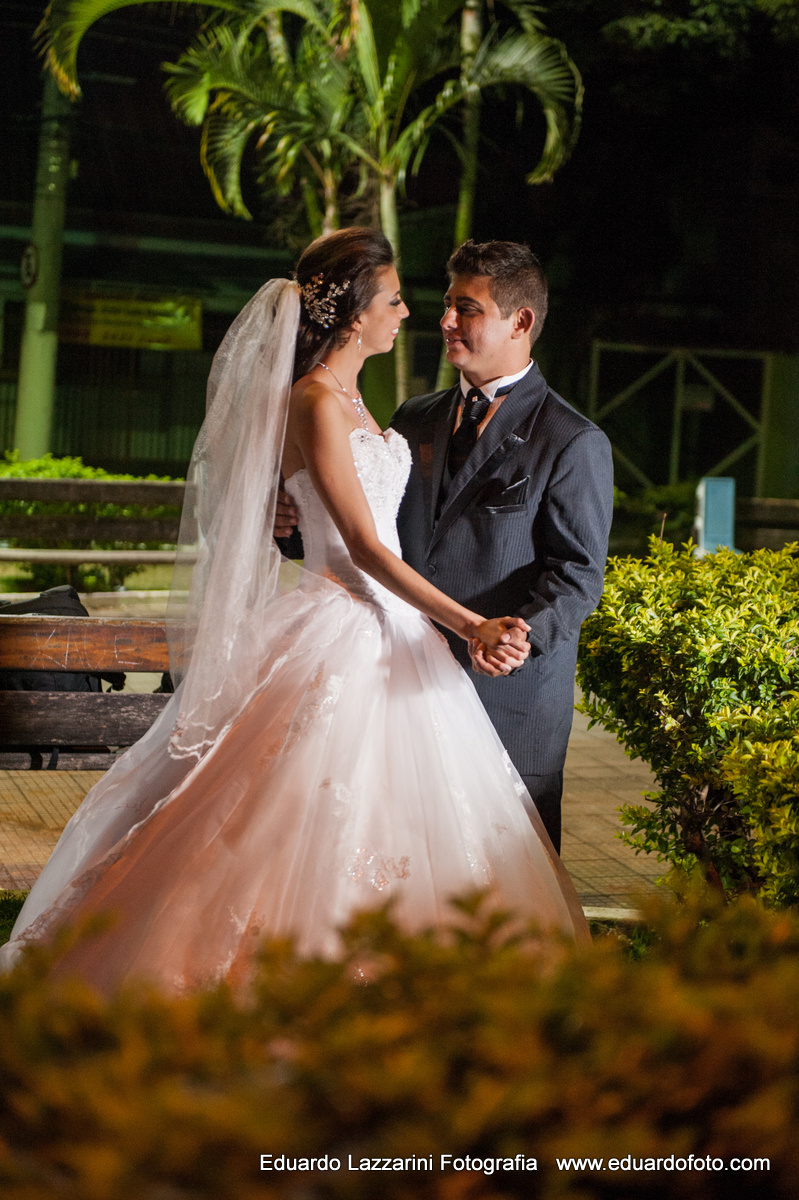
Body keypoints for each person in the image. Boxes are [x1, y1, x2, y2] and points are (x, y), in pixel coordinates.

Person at [0, 229, 587, 993]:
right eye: (398, 299)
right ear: (351, 316)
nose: (414, 314)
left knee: (415, 828)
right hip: (349, 625)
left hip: (407, 641)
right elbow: (366, 548)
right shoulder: (325, 401)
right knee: (279, 821)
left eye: (452, 305)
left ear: (521, 322)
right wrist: (466, 623)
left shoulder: (383, 407)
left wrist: (297, 510)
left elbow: (555, 567)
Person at [278, 240, 614, 852]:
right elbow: (366, 528)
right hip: (392, 680)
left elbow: (577, 575)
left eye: (468, 309)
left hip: (505, 693)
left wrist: (516, 638)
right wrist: (292, 521)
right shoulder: (414, 416)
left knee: (505, 883)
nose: (446, 322)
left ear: (521, 322)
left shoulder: (571, 440)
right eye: (446, 305)